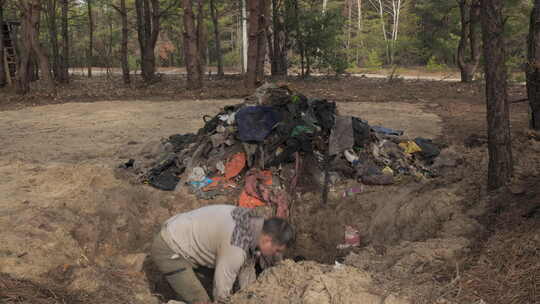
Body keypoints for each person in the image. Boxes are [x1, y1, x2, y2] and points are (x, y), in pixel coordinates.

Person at [151, 204, 294, 304]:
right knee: (202, 301)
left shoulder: (255, 221)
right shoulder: (236, 248)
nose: (276, 255)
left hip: (184, 229)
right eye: (277, 250)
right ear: (268, 240)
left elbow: (247, 265)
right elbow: (221, 293)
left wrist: (250, 295)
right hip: (170, 247)